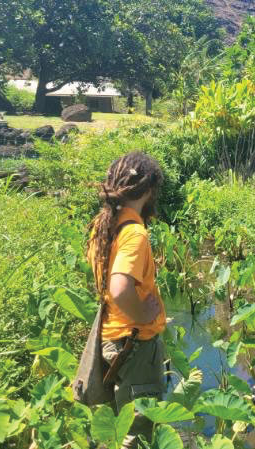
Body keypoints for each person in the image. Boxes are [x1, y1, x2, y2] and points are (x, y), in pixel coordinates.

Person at [86, 152, 166, 447]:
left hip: (110, 340)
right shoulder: (134, 233)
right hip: (134, 347)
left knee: (116, 427)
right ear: (147, 190)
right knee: (137, 432)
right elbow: (119, 288)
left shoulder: (103, 224)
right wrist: (144, 315)